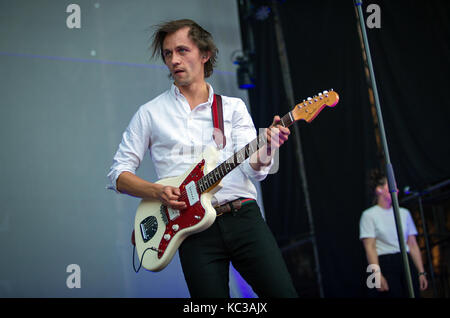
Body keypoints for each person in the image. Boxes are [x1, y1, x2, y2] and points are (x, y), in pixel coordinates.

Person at [107, 19, 298, 298]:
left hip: (242, 217)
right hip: (192, 231)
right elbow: (118, 174)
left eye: (182, 50)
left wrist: (268, 147)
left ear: (205, 54)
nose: (174, 59)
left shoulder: (232, 107)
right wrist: (157, 191)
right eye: (168, 54)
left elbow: (254, 170)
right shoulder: (149, 113)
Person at [359, 170, 428, 298]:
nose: (396, 189)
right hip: (386, 262)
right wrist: (377, 274)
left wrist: (421, 272)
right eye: (392, 186)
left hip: (406, 260)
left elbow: (412, 244)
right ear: (379, 190)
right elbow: (370, 248)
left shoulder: (404, 213)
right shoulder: (369, 215)